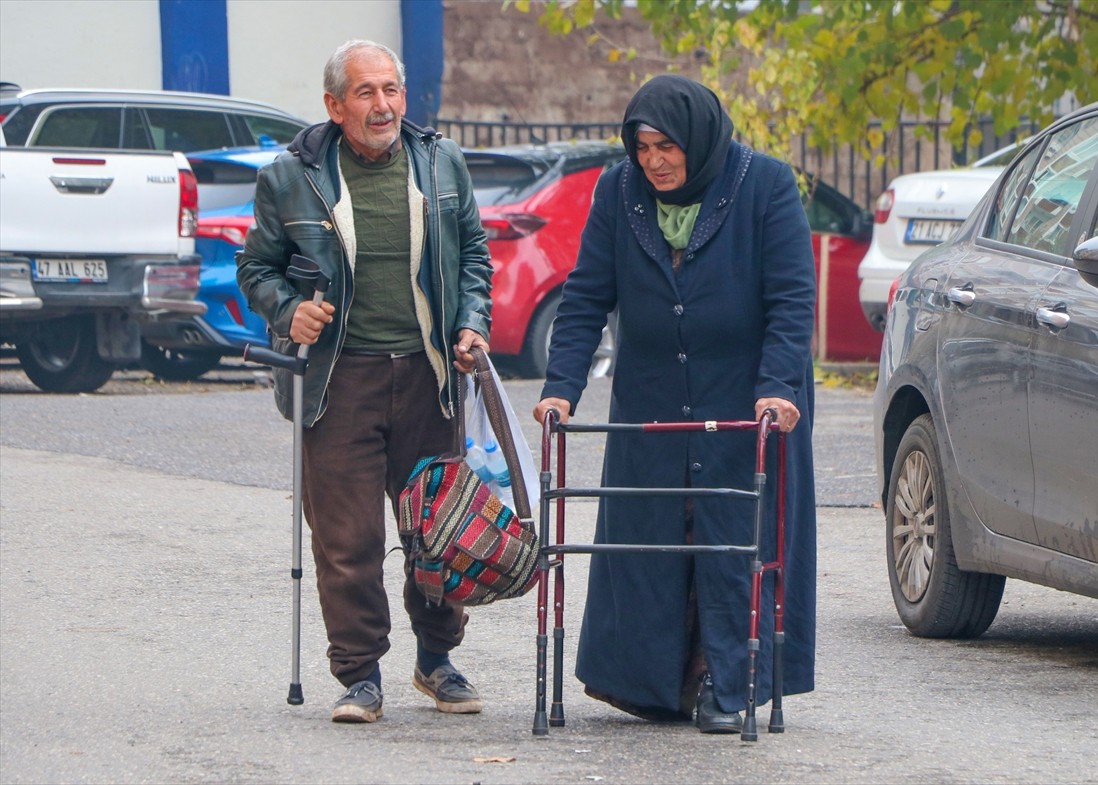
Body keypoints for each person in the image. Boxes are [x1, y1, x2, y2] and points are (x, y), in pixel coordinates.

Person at [532, 75, 817, 734]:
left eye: (667, 146)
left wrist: (778, 386)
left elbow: (792, 299)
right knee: (657, 534)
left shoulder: (765, 185)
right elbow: (586, 295)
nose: (653, 161)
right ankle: (654, 681)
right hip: (653, 395)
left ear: (698, 139)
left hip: (744, 395)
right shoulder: (619, 191)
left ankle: (730, 680)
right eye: (642, 147)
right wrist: (560, 388)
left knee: (731, 535)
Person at [237, 39, 493, 724]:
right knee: (347, 540)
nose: (383, 105)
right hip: (339, 380)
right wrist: (289, 311)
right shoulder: (290, 177)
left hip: (430, 376)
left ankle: (436, 659)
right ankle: (359, 674)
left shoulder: (441, 162)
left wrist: (472, 322)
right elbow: (256, 268)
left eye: (391, 89)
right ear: (334, 105)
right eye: (366, 92)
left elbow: (473, 253)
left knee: (438, 531)